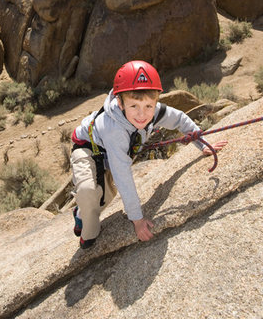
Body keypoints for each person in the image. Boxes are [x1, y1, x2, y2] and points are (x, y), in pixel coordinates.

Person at [70, 60, 227, 249]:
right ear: (119, 102)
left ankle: (81, 213)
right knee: (89, 195)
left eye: (148, 106)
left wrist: (201, 145)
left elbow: (180, 120)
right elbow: (123, 176)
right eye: (134, 106)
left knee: (102, 198)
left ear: (156, 101)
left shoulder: (155, 113)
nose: (142, 115)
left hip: (113, 153)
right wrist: (137, 220)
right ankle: (85, 229)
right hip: (88, 148)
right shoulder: (114, 129)